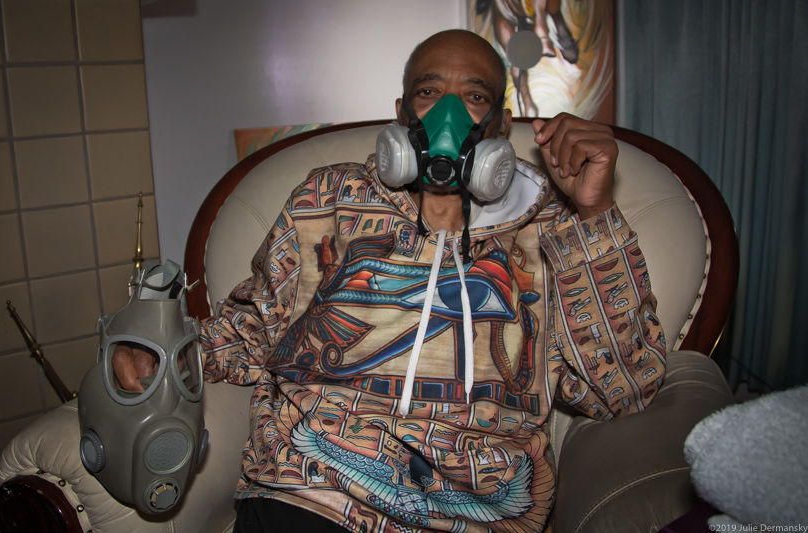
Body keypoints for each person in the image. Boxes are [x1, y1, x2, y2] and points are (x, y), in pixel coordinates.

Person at [113, 29, 665, 533]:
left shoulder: (556, 231)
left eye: (473, 98)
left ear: (500, 125)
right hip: (311, 492)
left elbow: (620, 390)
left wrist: (595, 216)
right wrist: (164, 355)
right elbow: (255, 330)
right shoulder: (327, 199)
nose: (448, 115)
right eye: (429, 93)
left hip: (475, 513)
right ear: (402, 114)